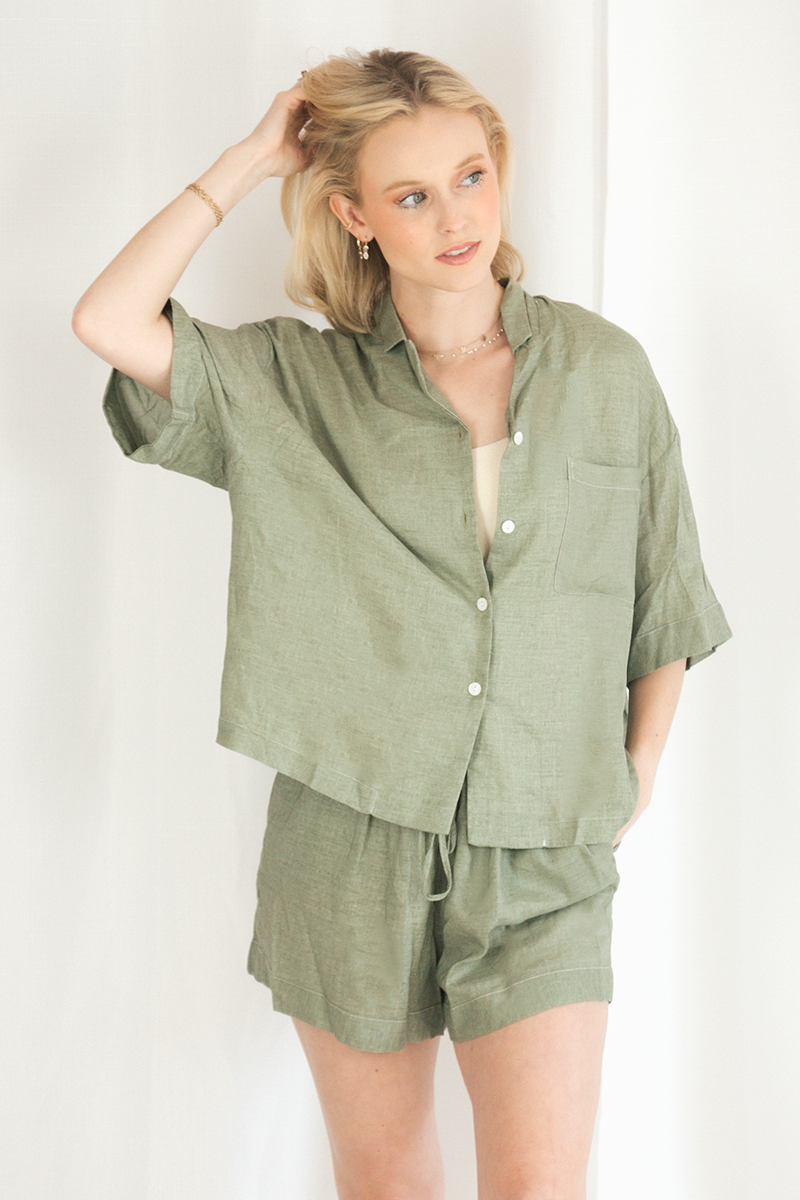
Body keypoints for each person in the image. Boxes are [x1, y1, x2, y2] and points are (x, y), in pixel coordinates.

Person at [73, 48, 732, 1200]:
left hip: (543, 841)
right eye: (412, 195)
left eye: (471, 176)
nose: (455, 217)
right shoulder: (296, 387)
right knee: (384, 1185)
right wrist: (248, 160)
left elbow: (661, 589)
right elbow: (107, 317)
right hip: (349, 841)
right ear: (355, 216)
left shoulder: (603, 372)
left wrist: (635, 772)